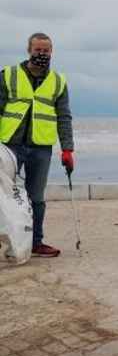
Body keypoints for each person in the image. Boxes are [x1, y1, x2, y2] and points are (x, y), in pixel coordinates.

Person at [0, 33, 74, 257]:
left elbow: (64, 117)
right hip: (9, 145)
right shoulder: (8, 75)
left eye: (46, 50)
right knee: (2, 194)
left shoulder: (58, 81)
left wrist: (67, 149)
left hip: (41, 147)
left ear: (52, 52)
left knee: (37, 197)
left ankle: (35, 242)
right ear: (29, 50)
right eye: (38, 50)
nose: (42, 54)